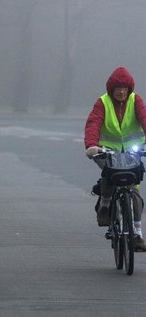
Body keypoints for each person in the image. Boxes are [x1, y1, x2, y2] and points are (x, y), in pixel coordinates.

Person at [85, 66, 146, 251]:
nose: (121, 92)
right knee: (110, 175)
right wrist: (91, 146)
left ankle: (137, 234)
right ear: (111, 89)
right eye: (117, 88)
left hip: (132, 153)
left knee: (134, 190)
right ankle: (105, 204)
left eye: (124, 88)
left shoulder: (136, 101)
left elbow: (144, 118)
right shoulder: (102, 103)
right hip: (106, 150)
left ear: (129, 89)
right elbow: (93, 123)